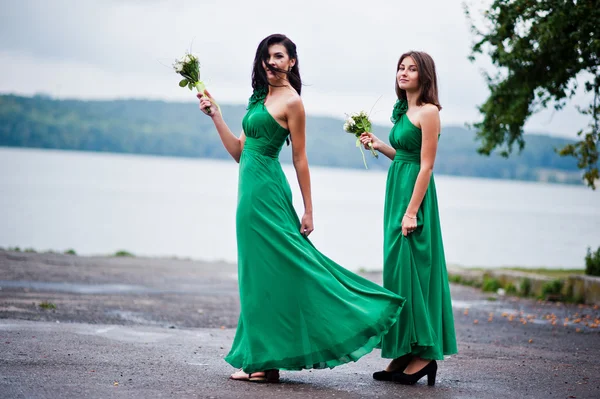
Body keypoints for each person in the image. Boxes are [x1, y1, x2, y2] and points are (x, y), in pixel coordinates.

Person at [197, 33, 405, 383]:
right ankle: (264, 359)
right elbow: (238, 152)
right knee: (256, 277)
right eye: (266, 57)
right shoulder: (259, 98)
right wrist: (216, 114)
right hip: (248, 197)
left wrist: (309, 210)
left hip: (269, 195)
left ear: (291, 61)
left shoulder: (292, 101)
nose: (271, 62)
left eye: (278, 56)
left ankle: (274, 357)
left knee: (289, 269)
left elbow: (300, 158)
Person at [360, 51, 457, 386]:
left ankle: (425, 354)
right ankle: (404, 350)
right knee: (399, 275)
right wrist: (377, 144)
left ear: (424, 75)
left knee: (417, 273)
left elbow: (426, 165)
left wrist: (412, 210)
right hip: (397, 194)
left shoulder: (429, 112)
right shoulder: (405, 110)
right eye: (401, 67)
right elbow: (404, 156)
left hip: (415, 200)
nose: (404, 72)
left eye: (411, 68)